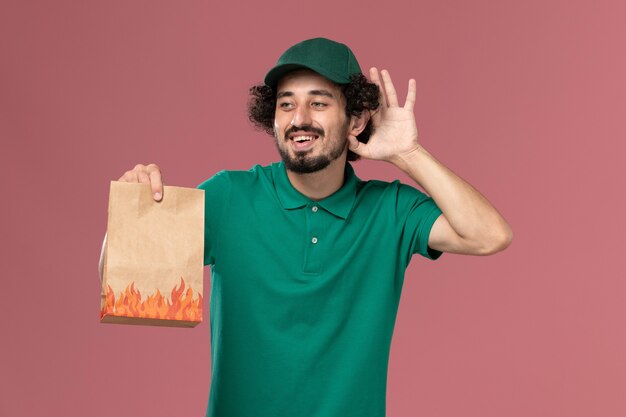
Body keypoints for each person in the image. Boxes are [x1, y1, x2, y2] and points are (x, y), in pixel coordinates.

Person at [103, 38, 512, 417]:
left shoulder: (390, 210)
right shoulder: (230, 195)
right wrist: (130, 216)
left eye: (318, 104)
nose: (299, 119)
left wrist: (409, 153)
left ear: (356, 119)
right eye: (286, 104)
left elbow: (489, 235)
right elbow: (122, 282)